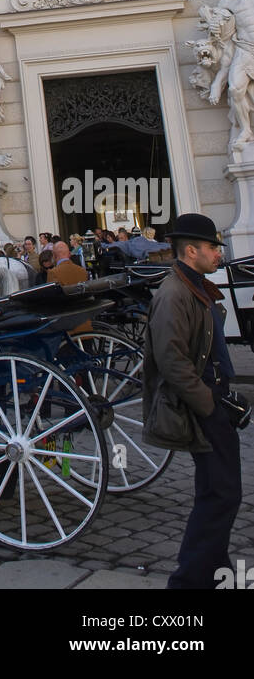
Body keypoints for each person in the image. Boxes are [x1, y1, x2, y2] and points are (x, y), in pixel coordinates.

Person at [143, 212, 250, 590]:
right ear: (191, 251)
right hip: (204, 406)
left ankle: (213, 571)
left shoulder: (194, 286)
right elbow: (172, 360)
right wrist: (209, 405)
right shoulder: (174, 294)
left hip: (213, 400)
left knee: (216, 491)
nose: (219, 254)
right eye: (212, 247)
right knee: (222, 494)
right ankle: (189, 581)